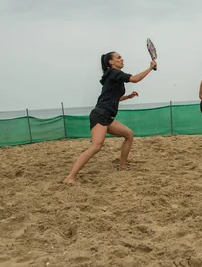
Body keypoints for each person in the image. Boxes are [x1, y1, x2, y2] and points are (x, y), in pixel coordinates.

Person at [63, 51, 157, 183]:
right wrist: (150, 67)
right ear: (111, 62)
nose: (122, 59)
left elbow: (114, 98)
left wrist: (128, 97)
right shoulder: (114, 73)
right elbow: (135, 79)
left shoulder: (113, 76)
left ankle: (122, 166)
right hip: (100, 114)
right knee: (96, 146)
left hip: (107, 116)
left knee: (129, 135)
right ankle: (70, 177)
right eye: (118, 57)